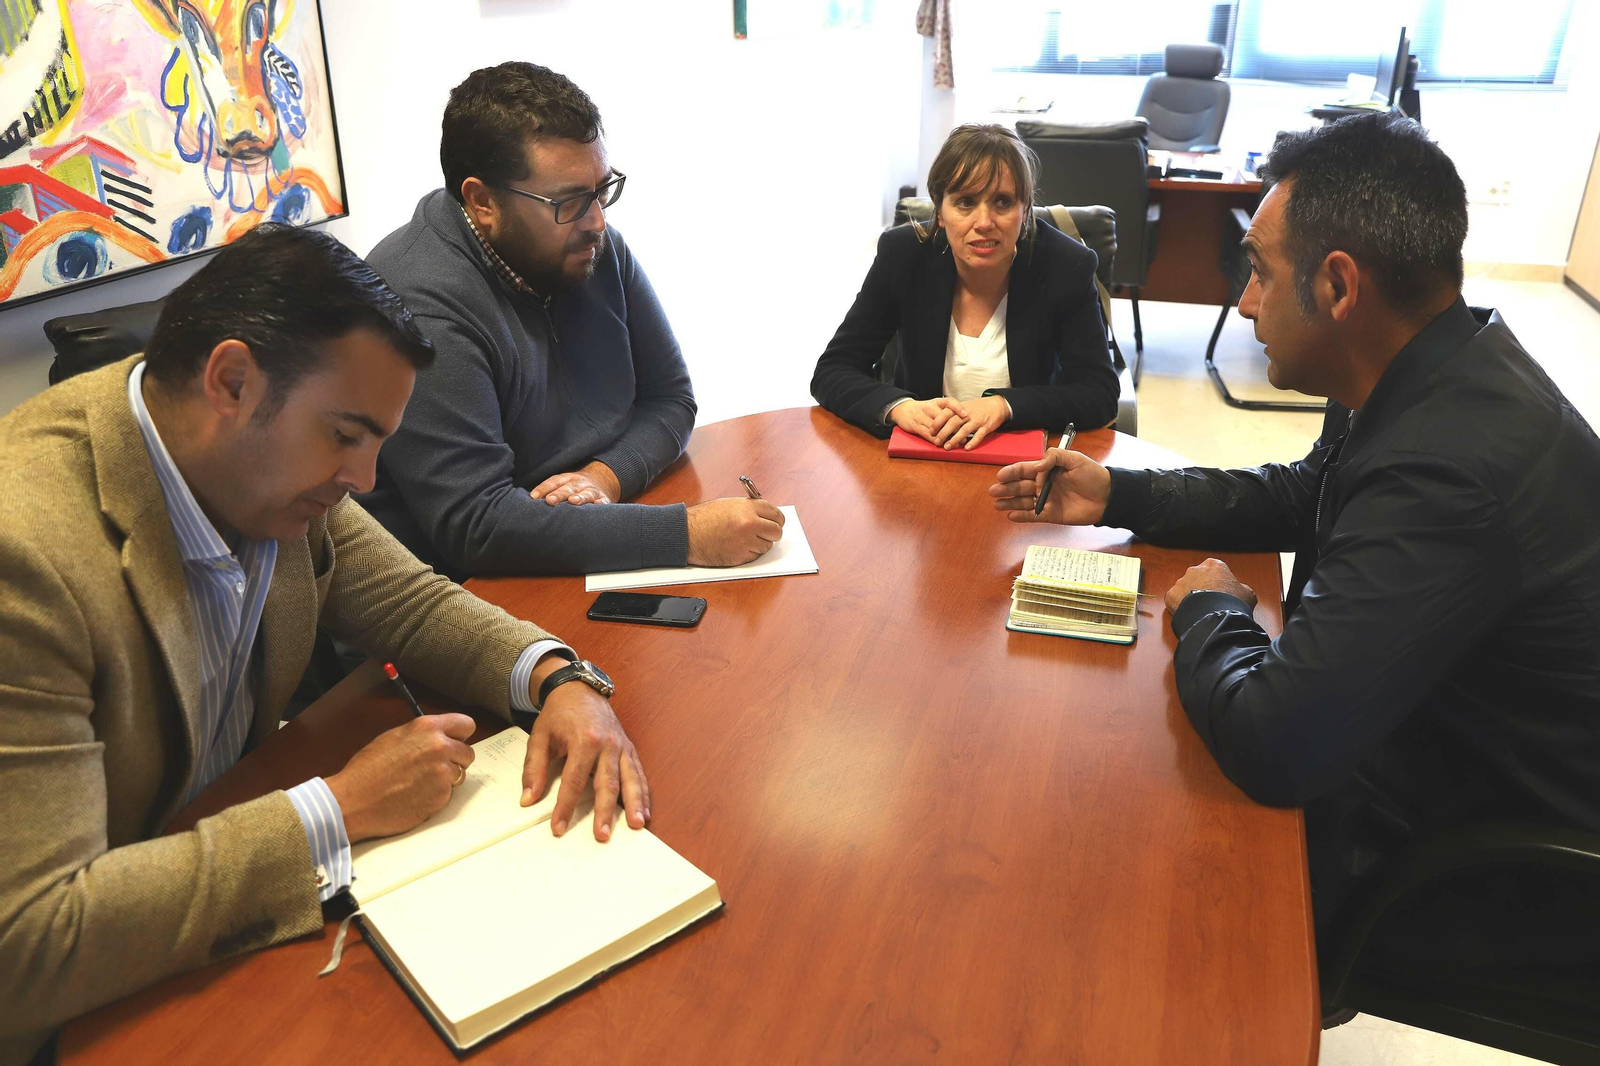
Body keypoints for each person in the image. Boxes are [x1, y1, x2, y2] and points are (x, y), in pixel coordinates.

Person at [0, 225, 650, 1065]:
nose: (366, 481)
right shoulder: (24, 555)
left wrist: (560, 677)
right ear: (231, 381)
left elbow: (412, 603)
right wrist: (336, 809)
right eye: (347, 436)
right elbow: (30, 944)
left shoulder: (253, 461)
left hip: (217, 900)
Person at [989, 114, 1600, 960]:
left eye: (1260, 273)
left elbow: (1278, 743)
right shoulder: (1431, 362)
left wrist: (1212, 611)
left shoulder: (1449, 469)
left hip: (1496, 870)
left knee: (1099, 863)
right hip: (1427, 743)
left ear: (1340, 286)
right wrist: (1120, 492)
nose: (1245, 303)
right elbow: (1310, 492)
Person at [358, 62, 782, 581]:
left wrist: (603, 479)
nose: (598, 221)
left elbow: (671, 398)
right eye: (570, 201)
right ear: (482, 201)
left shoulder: (592, 247)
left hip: (587, 534)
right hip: (469, 588)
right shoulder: (418, 302)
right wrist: (684, 535)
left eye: (602, 189)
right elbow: (477, 526)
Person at [810, 123, 1119, 449]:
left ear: (1025, 209)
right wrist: (901, 408)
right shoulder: (903, 256)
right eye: (965, 202)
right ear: (940, 212)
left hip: (1022, 464)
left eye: (1003, 202)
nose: (984, 223)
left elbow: (1099, 393)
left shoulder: (1066, 266)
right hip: (921, 458)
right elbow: (833, 370)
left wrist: (1004, 406)